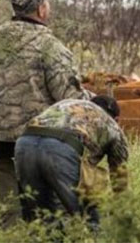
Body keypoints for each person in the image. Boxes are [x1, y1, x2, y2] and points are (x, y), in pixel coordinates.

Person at [0, 0, 87, 230]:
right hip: (39, 139)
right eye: (47, 3)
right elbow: (68, 96)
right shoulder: (49, 44)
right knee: (44, 209)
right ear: (41, 9)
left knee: (9, 207)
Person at [15, 95, 129, 234]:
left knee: (40, 214)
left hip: (24, 143)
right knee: (88, 212)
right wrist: (123, 211)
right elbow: (120, 176)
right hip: (61, 149)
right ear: (117, 119)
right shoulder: (112, 124)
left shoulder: (68, 104)